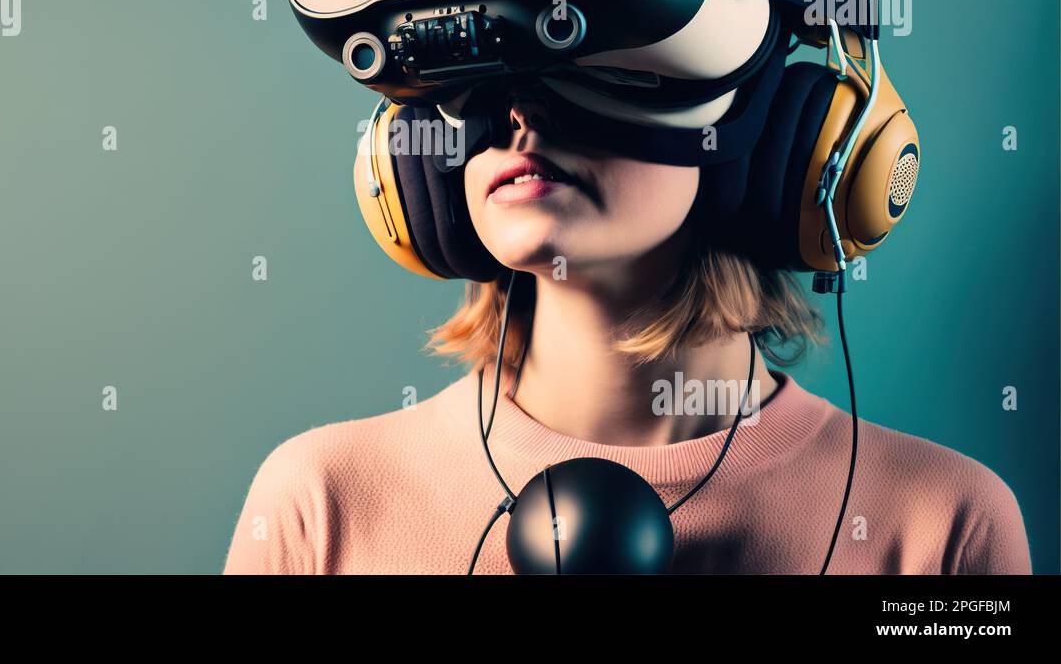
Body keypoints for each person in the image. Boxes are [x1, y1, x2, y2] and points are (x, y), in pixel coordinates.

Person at [223, 88, 1031, 575]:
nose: (522, 109)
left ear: (770, 127)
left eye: (596, 52)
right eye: (490, 67)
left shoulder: (942, 523)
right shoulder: (321, 501)